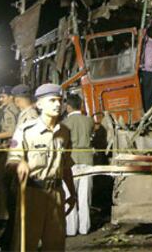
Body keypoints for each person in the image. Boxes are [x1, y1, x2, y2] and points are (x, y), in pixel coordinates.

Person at [7, 83, 76, 251]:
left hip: (56, 194)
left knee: (55, 244)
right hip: (32, 194)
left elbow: (66, 166)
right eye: (52, 100)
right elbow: (11, 160)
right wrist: (20, 163)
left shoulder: (64, 132)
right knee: (26, 243)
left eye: (59, 100)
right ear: (39, 105)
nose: (58, 105)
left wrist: (72, 193)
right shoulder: (25, 130)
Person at [62, 94, 94, 236]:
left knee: (70, 195)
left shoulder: (65, 123)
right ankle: (84, 228)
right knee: (84, 195)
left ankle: (71, 229)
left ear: (68, 107)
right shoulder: (89, 121)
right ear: (81, 105)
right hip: (87, 160)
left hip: (71, 161)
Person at [0, 86, 19, 239]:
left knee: (5, 186)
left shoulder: (9, 110)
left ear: (10, 97)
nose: (0, 99)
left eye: (3, 96)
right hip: (6, 149)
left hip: (8, 151)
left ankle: (6, 219)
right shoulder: (6, 109)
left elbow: (12, 131)